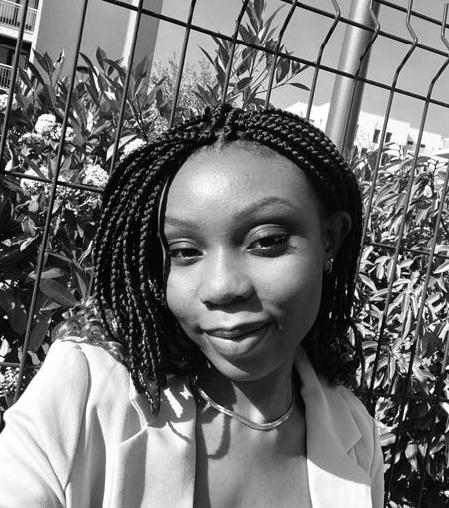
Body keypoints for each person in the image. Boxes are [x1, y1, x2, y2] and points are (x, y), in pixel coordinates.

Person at [0, 105, 384, 507]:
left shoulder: (358, 437)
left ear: (330, 238)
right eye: (185, 251)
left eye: (266, 241)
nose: (221, 287)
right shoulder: (83, 389)